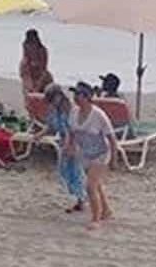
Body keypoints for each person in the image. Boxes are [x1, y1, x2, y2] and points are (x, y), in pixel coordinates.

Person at [68, 82, 119, 230]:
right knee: (96, 185)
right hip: (84, 154)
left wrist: (114, 160)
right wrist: (70, 146)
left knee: (90, 187)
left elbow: (112, 139)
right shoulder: (74, 112)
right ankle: (107, 211)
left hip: (101, 153)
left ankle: (96, 219)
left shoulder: (98, 115)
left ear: (87, 97)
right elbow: (71, 132)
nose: (75, 97)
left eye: (78, 94)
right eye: (74, 94)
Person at [42, 84, 85, 214]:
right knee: (65, 171)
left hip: (75, 142)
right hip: (64, 142)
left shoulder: (70, 110)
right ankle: (78, 198)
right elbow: (50, 126)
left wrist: (69, 145)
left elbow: (72, 131)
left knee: (75, 171)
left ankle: (80, 200)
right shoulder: (54, 110)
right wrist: (38, 135)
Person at [19, 29, 53, 95]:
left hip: (42, 77)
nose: (32, 46)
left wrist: (37, 86)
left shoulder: (42, 50)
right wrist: (30, 87)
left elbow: (44, 69)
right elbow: (25, 71)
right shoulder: (26, 46)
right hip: (30, 76)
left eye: (34, 43)